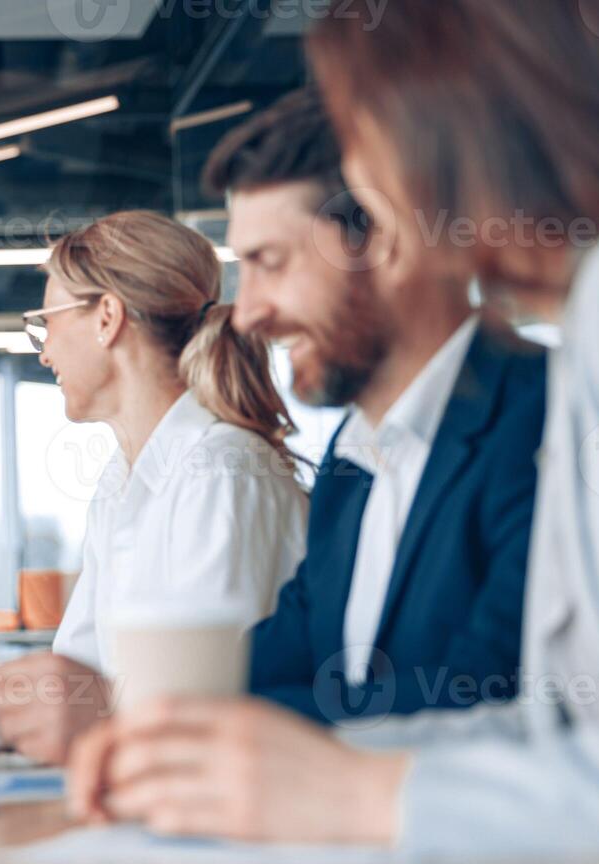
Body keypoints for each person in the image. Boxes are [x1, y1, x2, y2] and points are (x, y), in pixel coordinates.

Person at [66, 0, 599, 862]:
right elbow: (548, 734)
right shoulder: (589, 322)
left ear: (449, 127)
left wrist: (358, 789)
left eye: (370, 142)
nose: (375, 190)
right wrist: (167, 737)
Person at [0, 210, 310, 763]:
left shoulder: (223, 472)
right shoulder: (121, 482)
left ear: (108, 317)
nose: (42, 352)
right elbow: (81, 673)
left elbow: (196, 701)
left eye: (47, 322)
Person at [205, 88, 546, 725]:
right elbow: (287, 659)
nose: (246, 313)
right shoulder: (351, 457)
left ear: (383, 240)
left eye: (270, 264)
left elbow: (478, 711)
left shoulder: (544, 422)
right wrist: (111, 706)